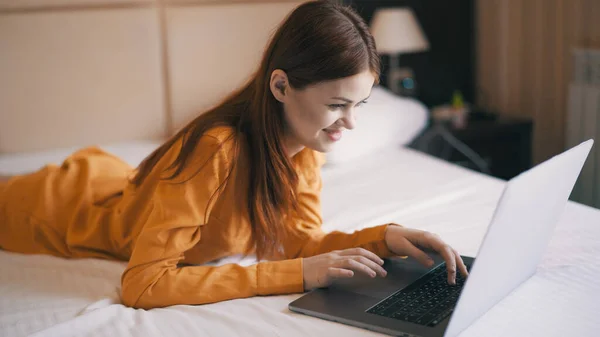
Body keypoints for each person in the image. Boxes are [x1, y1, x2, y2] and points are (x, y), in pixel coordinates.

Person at [0, 1, 468, 310]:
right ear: (281, 85)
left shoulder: (305, 149)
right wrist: (295, 275)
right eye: (335, 105)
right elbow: (143, 285)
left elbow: (300, 243)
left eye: (358, 105)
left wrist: (385, 239)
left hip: (116, 183)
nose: (350, 124)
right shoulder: (217, 150)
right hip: (53, 208)